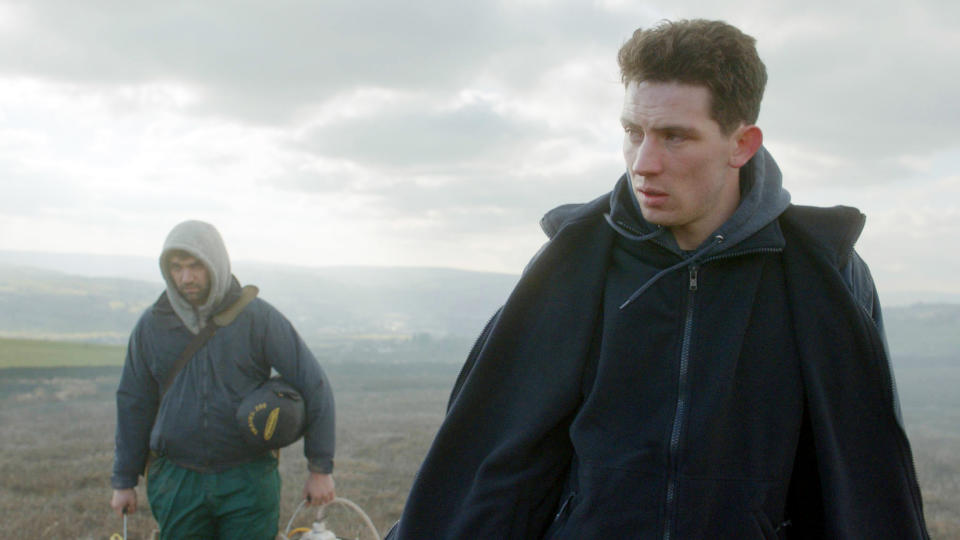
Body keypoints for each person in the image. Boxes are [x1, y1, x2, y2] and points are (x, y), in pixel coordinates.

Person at [387, 19, 929, 539]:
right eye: (632, 132)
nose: (643, 163)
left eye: (675, 137)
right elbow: (492, 459)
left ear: (742, 144)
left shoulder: (821, 273)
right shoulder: (574, 262)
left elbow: (863, 469)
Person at [109, 220, 336, 539]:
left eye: (195, 266)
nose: (186, 277)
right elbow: (134, 402)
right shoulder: (151, 326)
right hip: (177, 480)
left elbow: (315, 385)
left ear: (215, 263)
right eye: (176, 267)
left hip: (247, 477)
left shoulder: (258, 318)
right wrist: (124, 481)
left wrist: (320, 469)